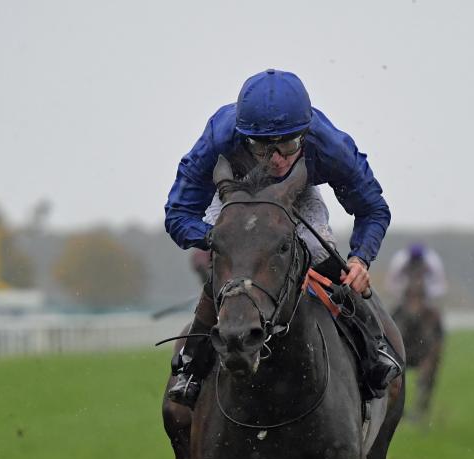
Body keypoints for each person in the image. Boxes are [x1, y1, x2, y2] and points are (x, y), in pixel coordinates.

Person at [163, 68, 401, 407]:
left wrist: (360, 259)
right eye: (262, 147)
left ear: (304, 135)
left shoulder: (330, 145)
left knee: (325, 260)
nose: (276, 159)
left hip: (298, 194)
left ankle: (372, 351)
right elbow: (178, 214)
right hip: (236, 196)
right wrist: (224, 239)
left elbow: (373, 209)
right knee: (230, 269)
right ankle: (191, 365)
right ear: (243, 137)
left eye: (287, 145)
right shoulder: (218, 137)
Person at [385, 242, 447, 307]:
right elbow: (391, 282)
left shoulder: (433, 261)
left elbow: (441, 284)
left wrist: (428, 294)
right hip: (405, 290)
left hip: (426, 291)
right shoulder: (400, 260)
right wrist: (400, 292)